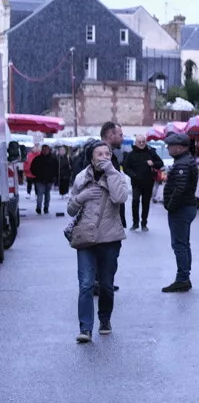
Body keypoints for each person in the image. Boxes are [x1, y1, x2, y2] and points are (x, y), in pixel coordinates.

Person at [66, 139, 129, 343]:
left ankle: (105, 320)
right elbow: (70, 209)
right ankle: (85, 328)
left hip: (109, 238)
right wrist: (81, 196)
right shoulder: (81, 178)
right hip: (86, 238)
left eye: (107, 154)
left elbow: (120, 198)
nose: (104, 157)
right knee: (85, 284)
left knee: (106, 285)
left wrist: (111, 171)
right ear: (91, 158)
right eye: (99, 154)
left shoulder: (116, 175)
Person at [161, 133, 199, 293]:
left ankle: (182, 278)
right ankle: (185, 276)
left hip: (181, 208)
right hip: (186, 207)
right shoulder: (185, 160)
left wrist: (170, 205)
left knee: (179, 245)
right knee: (184, 244)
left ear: (180, 147)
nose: (168, 149)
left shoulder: (182, 164)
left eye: (170, 146)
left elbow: (180, 189)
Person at [122, 136, 164, 231]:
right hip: (136, 182)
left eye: (143, 142)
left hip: (148, 182)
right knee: (135, 201)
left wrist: (153, 163)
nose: (141, 144)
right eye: (139, 142)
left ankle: (144, 223)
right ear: (136, 143)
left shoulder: (150, 152)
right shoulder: (131, 154)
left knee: (145, 203)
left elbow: (160, 163)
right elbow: (125, 167)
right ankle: (135, 223)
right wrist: (133, 174)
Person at [100, 122, 127, 228]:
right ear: (111, 136)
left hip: (111, 217)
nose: (122, 138)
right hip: (106, 219)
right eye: (120, 135)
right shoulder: (100, 158)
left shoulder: (112, 156)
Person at [30, 144, 57, 215]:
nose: (45, 151)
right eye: (44, 150)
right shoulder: (38, 159)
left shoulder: (53, 159)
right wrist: (36, 175)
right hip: (40, 179)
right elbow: (32, 168)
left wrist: (54, 177)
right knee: (41, 194)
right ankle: (40, 207)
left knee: (45, 194)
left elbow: (56, 169)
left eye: (46, 150)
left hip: (48, 179)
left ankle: (45, 207)